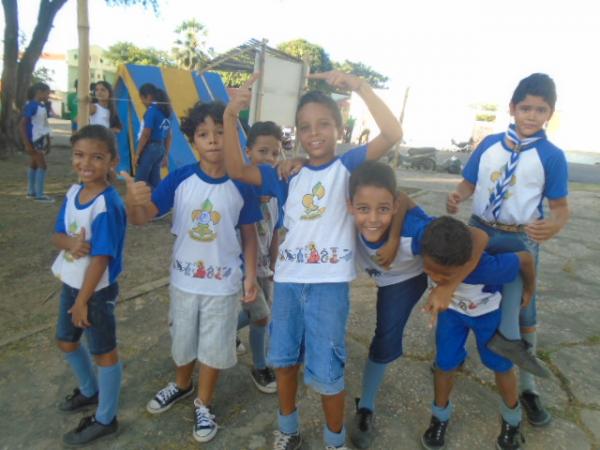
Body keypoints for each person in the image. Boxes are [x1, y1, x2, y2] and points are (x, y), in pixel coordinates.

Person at [224, 71, 403, 450]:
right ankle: (288, 430)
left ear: (339, 127)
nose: (314, 132)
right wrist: (230, 118)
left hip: (329, 288)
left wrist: (360, 87)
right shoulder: (286, 175)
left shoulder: (349, 166)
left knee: (327, 370)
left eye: (324, 123)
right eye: (305, 127)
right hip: (288, 284)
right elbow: (237, 169)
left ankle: (334, 441)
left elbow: (391, 134)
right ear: (297, 133)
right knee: (285, 361)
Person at [122, 101, 261, 443]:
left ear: (234, 137)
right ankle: (182, 385)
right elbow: (143, 218)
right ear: (192, 141)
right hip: (184, 282)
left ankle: (204, 402)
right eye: (203, 134)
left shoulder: (243, 184)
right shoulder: (180, 180)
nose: (213, 140)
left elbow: (249, 235)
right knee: (183, 339)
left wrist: (250, 276)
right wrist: (132, 202)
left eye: (221, 132)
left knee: (214, 347)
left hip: (224, 284)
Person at [446, 73, 569, 426]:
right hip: (479, 229)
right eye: (526, 107)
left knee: (523, 311)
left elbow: (561, 207)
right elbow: (469, 182)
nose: (531, 115)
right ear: (512, 108)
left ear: (550, 114)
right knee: (464, 293)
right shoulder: (489, 145)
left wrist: (555, 224)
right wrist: (458, 195)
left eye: (540, 110)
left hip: (521, 237)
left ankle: (528, 387)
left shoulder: (551, 156)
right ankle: (452, 354)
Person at [346, 161, 489, 449]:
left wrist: (446, 287)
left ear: (393, 206)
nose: (373, 218)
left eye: (383, 209)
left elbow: (478, 235)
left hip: (404, 278)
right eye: (364, 209)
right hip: (372, 267)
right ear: (350, 205)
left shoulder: (417, 230)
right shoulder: (344, 216)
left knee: (385, 335)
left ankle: (366, 407)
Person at [419, 216, 536, 450]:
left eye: (443, 275)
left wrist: (530, 289)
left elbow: (525, 259)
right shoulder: (433, 248)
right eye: (428, 269)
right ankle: (440, 416)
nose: (435, 278)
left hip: (488, 318)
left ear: (463, 266)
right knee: (444, 364)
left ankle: (512, 420)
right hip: (452, 316)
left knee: (501, 365)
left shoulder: (489, 268)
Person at [50, 125, 126, 446]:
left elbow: (102, 258)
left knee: (104, 352)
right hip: (72, 284)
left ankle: (106, 418)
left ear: (112, 161)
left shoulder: (107, 205)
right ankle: (90, 389)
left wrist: (83, 300)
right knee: (66, 341)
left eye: (97, 157)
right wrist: (69, 242)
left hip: (94, 292)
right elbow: (56, 235)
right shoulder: (73, 193)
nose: (86, 163)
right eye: (79, 155)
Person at [236, 121, 284, 394]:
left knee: (255, 314)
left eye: (275, 153)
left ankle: (224, 331)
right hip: (244, 269)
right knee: (262, 317)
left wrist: (275, 264)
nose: (269, 158)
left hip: (266, 269)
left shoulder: (277, 194)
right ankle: (260, 366)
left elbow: (276, 232)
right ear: (247, 152)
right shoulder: (242, 190)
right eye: (262, 151)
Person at [19, 82, 54, 203]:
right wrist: (27, 143)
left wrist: (48, 141)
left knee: (34, 164)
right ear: (39, 92)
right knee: (42, 165)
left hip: (41, 138)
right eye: (47, 93)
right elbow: (23, 124)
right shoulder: (32, 106)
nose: (48, 95)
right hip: (34, 139)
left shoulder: (43, 106)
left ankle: (31, 192)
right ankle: (39, 194)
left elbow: (44, 124)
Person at [134, 83, 173, 189]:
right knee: (154, 179)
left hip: (151, 147)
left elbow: (146, 133)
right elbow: (169, 136)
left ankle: (138, 204)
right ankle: (158, 202)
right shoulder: (166, 112)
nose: (142, 102)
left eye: (141, 98)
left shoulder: (152, 110)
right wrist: (166, 154)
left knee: (140, 179)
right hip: (160, 148)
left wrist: (138, 153)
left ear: (148, 97)